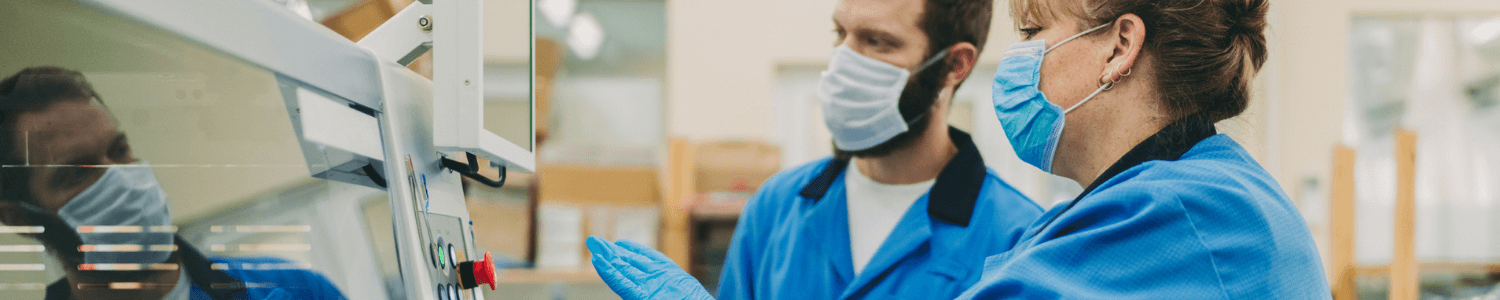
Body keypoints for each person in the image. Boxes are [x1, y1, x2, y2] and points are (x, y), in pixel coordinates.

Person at [589, 0, 1334, 298]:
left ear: (1120, 47)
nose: (1025, 61)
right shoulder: (1144, 202)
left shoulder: (1188, 213)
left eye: (1035, 35)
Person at [589, 0, 1044, 299]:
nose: (844, 61)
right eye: (840, 35)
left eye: (876, 41)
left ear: (953, 65)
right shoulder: (776, 207)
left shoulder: (1016, 239)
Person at [0, 67, 347, 300]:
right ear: (20, 218)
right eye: (78, 172)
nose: (120, 178)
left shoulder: (293, 287)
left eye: (119, 150)